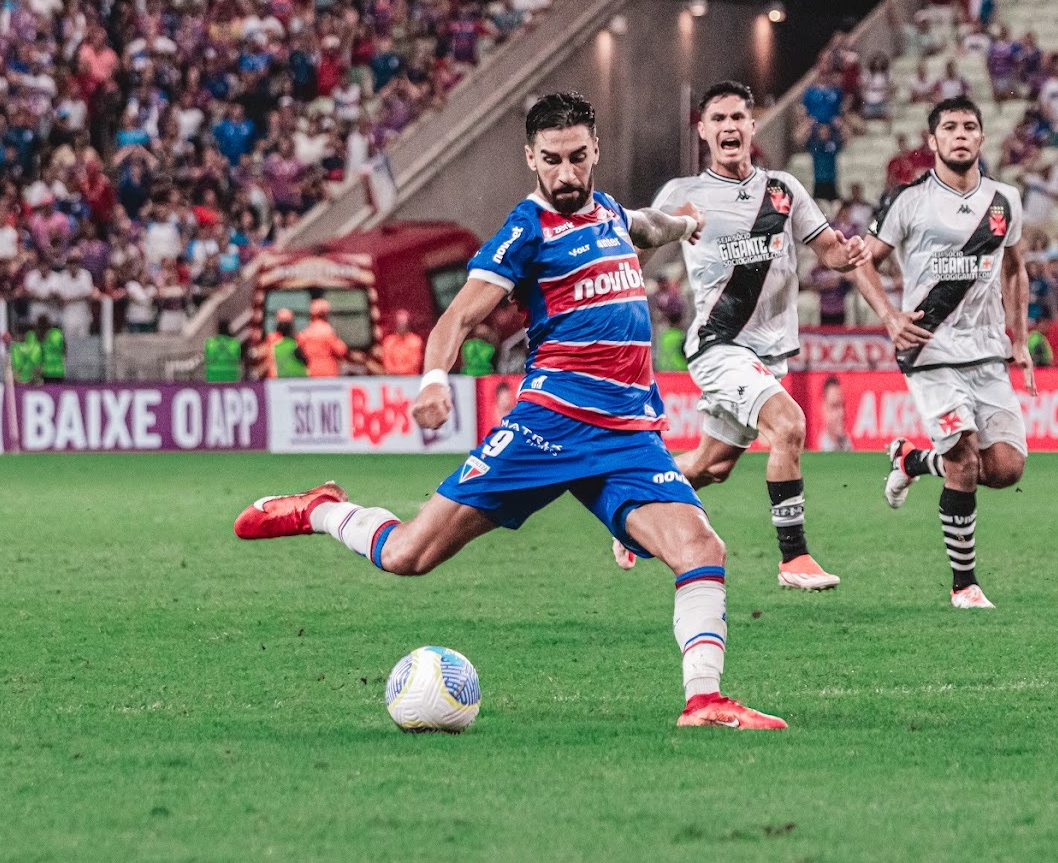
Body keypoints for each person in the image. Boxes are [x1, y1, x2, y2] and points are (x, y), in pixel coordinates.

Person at [234, 92, 787, 729]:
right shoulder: (525, 232)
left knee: (700, 547)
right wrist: (434, 378)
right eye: (551, 160)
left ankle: (705, 701)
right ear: (531, 158)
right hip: (548, 427)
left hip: (628, 436)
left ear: (595, 153)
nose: (566, 173)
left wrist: (684, 225)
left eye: (578, 158)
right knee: (410, 555)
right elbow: (457, 316)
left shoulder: (606, 210)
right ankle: (324, 510)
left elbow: (645, 226)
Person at [618, 80, 868, 591]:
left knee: (712, 466)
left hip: (767, 352)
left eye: (739, 118)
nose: (730, 127)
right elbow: (633, 250)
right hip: (718, 345)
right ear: (704, 130)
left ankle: (631, 506)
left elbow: (828, 251)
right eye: (719, 119)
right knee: (790, 425)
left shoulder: (783, 190)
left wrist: (849, 254)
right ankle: (793, 559)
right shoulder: (683, 194)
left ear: (753, 127)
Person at [851, 97, 1036, 609]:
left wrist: (1018, 337)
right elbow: (864, 263)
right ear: (932, 141)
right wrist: (890, 318)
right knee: (962, 460)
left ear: (981, 138)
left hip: (985, 351)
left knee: (1005, 469)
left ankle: (911, 460)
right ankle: (964, 585)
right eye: (949, 127)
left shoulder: (1005, 201)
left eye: (969, 127)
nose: (960, 134)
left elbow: (1015, 267)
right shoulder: (907, 201)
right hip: (928, 348)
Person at [296, 298, 347, 377]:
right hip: (328, 371)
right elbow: (341, 350)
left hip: (311, 370)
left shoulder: (305, 333)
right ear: (325, 314)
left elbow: (298, 350)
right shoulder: (327, 331)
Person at [381, 309, 424, 375]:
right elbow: (387, 363)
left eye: (403, 323)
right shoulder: (389, 341)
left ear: (408, 324)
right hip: (393, 378)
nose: (401, 325)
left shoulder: (415, 341)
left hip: (411, 379)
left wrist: (400, 372)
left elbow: (414, 363)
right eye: (399, 322)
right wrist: (395, 372)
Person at [817, 376, 852, 451]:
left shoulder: (848, 445)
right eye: (835, 406)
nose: (842, 413)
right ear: (823, 409)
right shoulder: (816, 449)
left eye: (843, 406)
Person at [36, 315, 66, 384]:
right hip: (57, 370)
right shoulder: (57, 333)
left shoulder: (41, 337)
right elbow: (63, 349)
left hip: (48, 371)